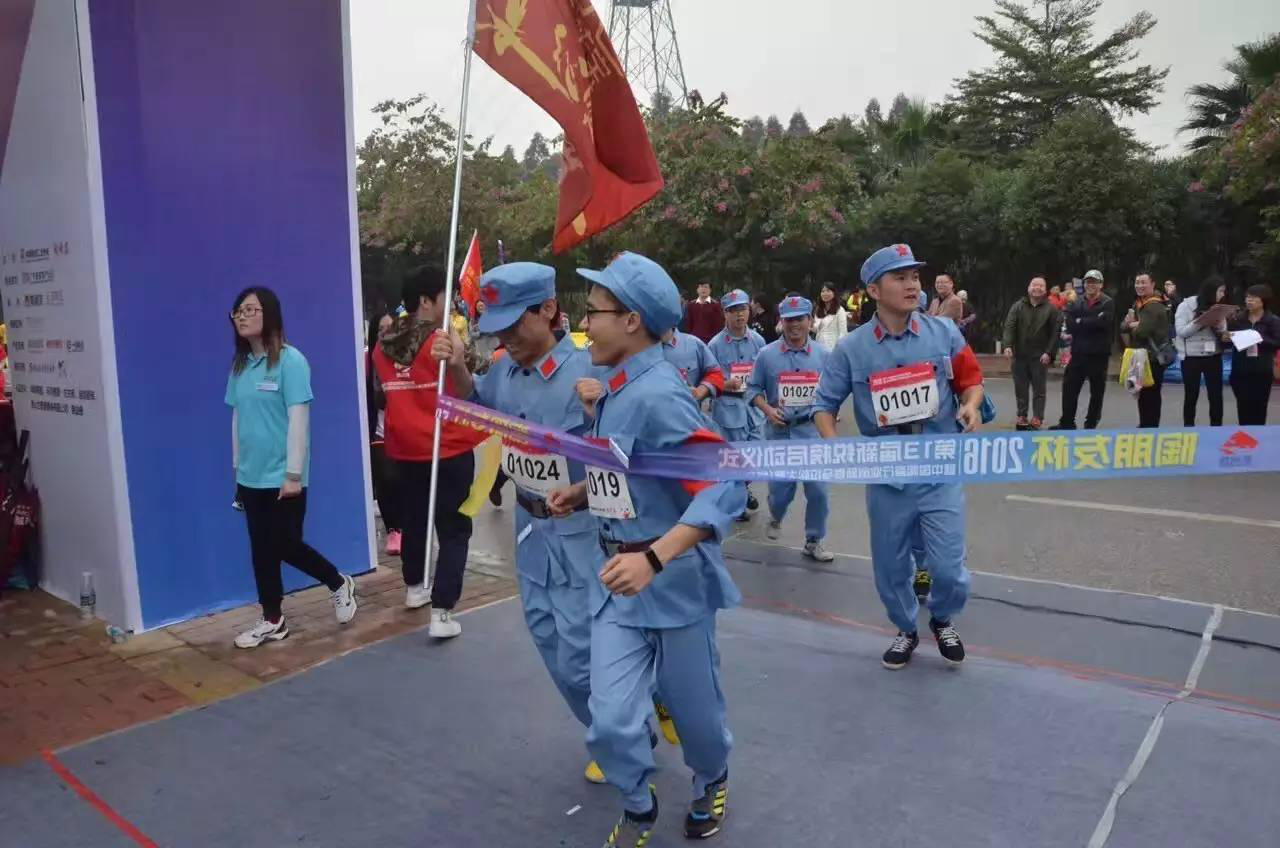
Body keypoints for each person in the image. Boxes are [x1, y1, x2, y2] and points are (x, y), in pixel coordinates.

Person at [549, 252, 744, 845]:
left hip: (672, 583)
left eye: (595, 312)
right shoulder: (615, 386)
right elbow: (630, 471)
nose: (586, 324)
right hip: (617, 581)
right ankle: (638, 803)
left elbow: (726, 485)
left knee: (696, 714)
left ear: (632, 320)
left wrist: (653, 558)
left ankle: (711, 777)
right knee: (608, 721)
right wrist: (582, 493)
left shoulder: (660, 392)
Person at [431, 262, 615, 784]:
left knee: (581, 652)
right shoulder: (504, 372)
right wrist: (458, 365)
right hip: (531, 534)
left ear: (549, 310)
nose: (506, 338)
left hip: (582, 534)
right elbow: (478, 405)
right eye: (497, 329)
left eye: (514, 325)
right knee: (548, 640)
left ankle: (622, 733)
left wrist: (585, 482)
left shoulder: (589, 373)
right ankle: (613, 728)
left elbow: (626, 457)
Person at [814, 244, 984, 670]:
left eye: (915, 277)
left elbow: (971, 380)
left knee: (949, 568)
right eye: (900, 278)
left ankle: (942, 618)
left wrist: (971, 405)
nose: (912, 285)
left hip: (938, 468)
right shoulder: (851, 349)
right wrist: (834, 445)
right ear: (874, 290)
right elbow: (824, 405)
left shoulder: (944, 333)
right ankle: (906, 628)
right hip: (886, 474)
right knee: (891, 568)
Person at [225, 287, 357, 649]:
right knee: (261, 549)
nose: (242, 316)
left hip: (284, 476)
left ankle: (337, 582)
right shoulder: (240, 367)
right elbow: (238, 419)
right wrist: (237, 470)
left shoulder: (291, 361)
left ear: (269, 314)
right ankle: (273, 619)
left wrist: (293, 474)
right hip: (251, 476)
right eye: (237, 311)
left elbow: (299, 420)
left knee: (284, 544)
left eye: (250, 310)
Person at [372, 265, 487, 638]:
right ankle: (442, 611)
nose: (449, 304)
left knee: (416, 520)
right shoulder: (443, 342)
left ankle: (414, 586)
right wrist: (459, 358)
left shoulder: (383, 345)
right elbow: (471, 383)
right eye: (444, 297)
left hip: (404, 448)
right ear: (426, 300)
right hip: (446, 445)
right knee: (454, 529)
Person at [748, 295, 835, 562]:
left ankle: (814, 540)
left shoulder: (824, 355)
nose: (794, 325)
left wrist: (828, 419)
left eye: (800, 319)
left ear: (810, 321)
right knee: (780, 492)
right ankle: (775, 515)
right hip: (780, 434)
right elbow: (753, 390)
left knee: (819, 491)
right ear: (781, 322)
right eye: (789, 320)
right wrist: (768, 410)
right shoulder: (766, 355)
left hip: (811, 432)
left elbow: (833, 392)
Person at [708, 289, 767, 521]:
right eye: (733, 311)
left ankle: (742, 487)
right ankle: (737, 501)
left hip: (754, 409)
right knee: (733, 457)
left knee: (754, 456)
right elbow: (708, 379)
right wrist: (723, 384)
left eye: (742, 309)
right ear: (725, 314)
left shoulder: (758, 341)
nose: (739, 315)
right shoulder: (714, 345)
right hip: (728, 410)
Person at [1052, 270, 1114, 430]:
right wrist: (1090, 321)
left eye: (1094, 282)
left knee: (1097, 391)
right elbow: (1071, 324)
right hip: (1078, 352)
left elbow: (1103, 323)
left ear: (1101, 284)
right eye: (1088, 282)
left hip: (1099, 354)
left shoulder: (1107, 302)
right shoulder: (1077, 302)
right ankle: (1067, 421)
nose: (1091, 285)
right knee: (1069, 388)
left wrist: (1081, 321)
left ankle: (1091, 423)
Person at [1002, 277, 1062, 430]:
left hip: (1040, 355)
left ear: (1045, 290)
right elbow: (1009, 326)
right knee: (1020, 387)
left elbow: (1055, 333)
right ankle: (1022, 415)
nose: (1037, 288)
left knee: (1039, 388)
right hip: (1020, 354)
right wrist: (1007, 345)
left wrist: (1049, 353)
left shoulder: (1051, 309)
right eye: (1034, 285)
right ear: (1029, 288)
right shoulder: (1018, 306)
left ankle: (1037, 417)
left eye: (1041, 285)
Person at [367, 312, 403, 555]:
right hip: (380, 430)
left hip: (406, 431)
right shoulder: (369, 360)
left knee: (404, 481)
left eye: (391, 327)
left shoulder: (408, 355)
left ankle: (407, 526)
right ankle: (393, 530)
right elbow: (375, 398)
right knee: (386, 480)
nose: (387, 332)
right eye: (382, 329)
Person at [1174, 277, 1230, 427]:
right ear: (1211, 291)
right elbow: (1181, 332)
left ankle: (1216, 427)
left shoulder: (1218, 307)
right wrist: (1201, 322)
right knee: (1191, 395)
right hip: (1191, 357)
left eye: (1224, 291)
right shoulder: (1186, 306)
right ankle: (1189, 427)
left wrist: (1220, 328)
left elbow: (1223, 330)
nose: (1222, 294)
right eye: (1220, 291)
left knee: (1216, 395)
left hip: (1213, 356)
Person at [1122, 272, 1170, 428]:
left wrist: (1132, 325)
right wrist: (1133, 324)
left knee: (1151, 394)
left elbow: (1142, 331)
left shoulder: (1154, 305)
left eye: (1143, 282)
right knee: (1142, 393)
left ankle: (1150, 427)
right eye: (1137, 282)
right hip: (1141, 356)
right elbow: (1123, 326)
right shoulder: (1138, 303)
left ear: (1152, 284)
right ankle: (1145, 425)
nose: (1139, 286)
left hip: (1153, 357)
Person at [1228, 284, 1280, 425]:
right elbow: (1228, 339)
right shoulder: (1238, 319)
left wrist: (1258, 338)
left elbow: (1277, 342)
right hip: (1240, 369)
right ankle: (1245, 434)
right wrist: (1226, 336)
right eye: (1247, 298)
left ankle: (1258, 435)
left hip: (1261, 370)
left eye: (1253, 298)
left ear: (1263, 300)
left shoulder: (1272, 321)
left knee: (1259, 407)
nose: (1249, 301)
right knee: (1243, 407)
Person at [812, 283, 848, 349]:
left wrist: (838, 348)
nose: (825, 293)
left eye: (828, 291)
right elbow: (817, 330)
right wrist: (810, 324)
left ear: (834, 293)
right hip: (819, 345)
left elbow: (843, 332)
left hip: (833, 346)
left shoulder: (840, 310)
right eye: (823, 291)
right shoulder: (819, 309)